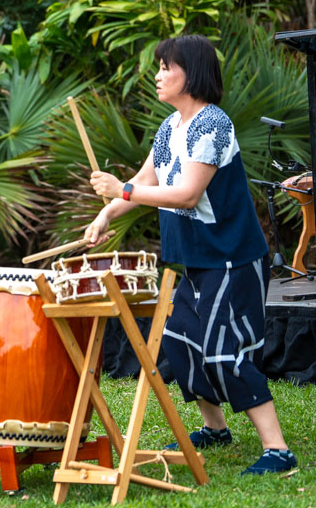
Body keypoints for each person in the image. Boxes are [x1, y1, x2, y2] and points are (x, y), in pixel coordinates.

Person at [84, 34, 298, 476]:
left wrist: (123, 190)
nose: (158, 75)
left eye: (167, 67)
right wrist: (107, 212)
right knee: (180, 342)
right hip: (196, 260)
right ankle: (215, 428)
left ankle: (278, 449)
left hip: (232, 258)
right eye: (159, 67)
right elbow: (146, 179)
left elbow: (185, 194)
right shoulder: (170, 128)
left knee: (223, 352)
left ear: (192, 73)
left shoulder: (213, 125)